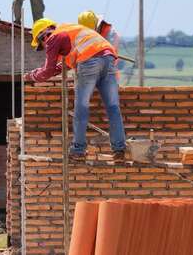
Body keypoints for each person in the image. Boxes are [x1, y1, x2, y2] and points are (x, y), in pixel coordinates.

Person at [24, 18, 127, 162]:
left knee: (81, 106)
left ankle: (78, 150)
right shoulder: (70, 32)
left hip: (89, 60)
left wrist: (32, 76)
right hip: (108, 57)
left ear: (44, 35)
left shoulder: (54, 37)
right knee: (113, 107)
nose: (45, 47)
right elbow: (58, 68)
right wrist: (42, 72)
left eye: (42, 44)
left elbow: (47, 70)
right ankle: (119, 150)